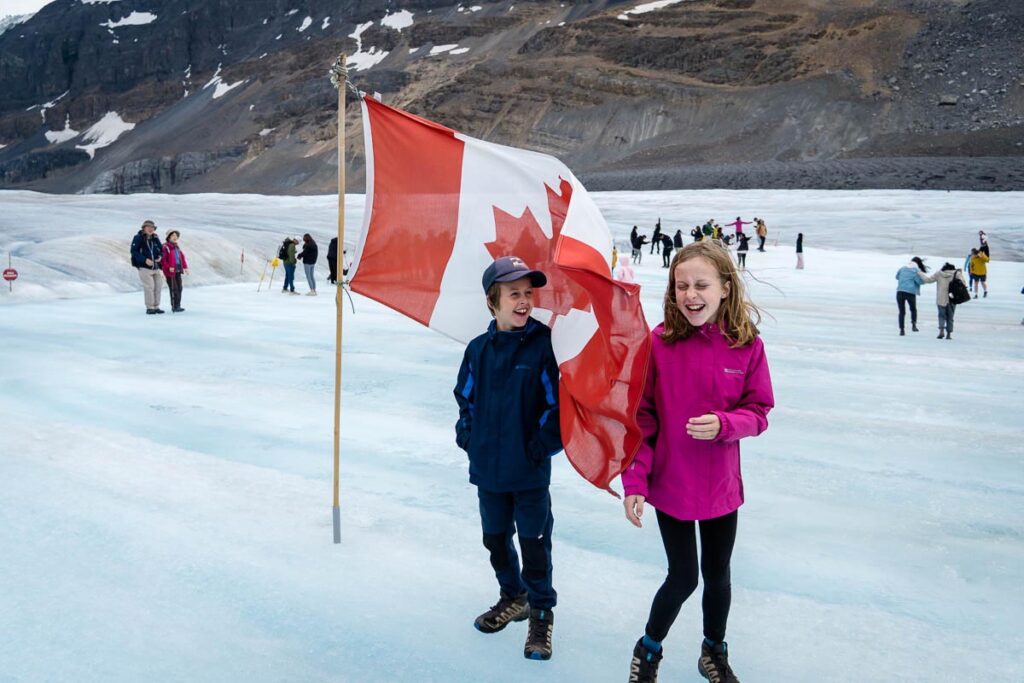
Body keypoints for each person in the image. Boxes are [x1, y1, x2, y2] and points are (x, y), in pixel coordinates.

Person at [622, 240, 774, 683]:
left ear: (725, 288)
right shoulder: (659, 344)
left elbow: (760, 411)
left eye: (702, 285)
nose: (691, 294)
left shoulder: (746, 345)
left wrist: (728, 424)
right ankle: (648, 650)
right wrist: (635, 484)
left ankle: (713, 651)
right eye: (681, 285)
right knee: (684, 576)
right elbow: (642, 419)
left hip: (722, 488)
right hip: (671, 486)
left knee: (718, 576)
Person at [454, 256, 562, 661]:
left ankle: (540, 614)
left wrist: (539, 446)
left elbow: (556, 406)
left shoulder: (542, 345)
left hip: (529, 471)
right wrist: (469, 436)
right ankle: (512, 595)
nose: (523, 301)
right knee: (495, 539)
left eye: (528, 293)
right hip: (487, 469)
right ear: (492, 302)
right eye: (513, 293)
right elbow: (465, 397)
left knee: (535, 544)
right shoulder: (478, 350)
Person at [920, 263, 968, 339]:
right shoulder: (957, 274)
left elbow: (928, 280)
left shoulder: (939, 273)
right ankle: (949, 334)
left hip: (941, 298)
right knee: (950, 317)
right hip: (952, 298)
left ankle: (941, 331)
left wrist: (920, 273)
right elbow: (964, 285)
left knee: (941, 315)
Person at [130, 220, 165, 314]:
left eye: (152, 228)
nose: (150, 229)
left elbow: (161, 250)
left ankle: (156, 307)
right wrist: (145, 260)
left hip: (156, 267)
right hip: (144, 268)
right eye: (148, 227)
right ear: (144, 228)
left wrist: (160, 257)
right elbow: (134, 251)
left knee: (158, 287)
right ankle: (150, 308)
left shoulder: (155, 237)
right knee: (149, 287)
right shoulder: (138, 237)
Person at [895, 257, 929, 335]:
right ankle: (914, 325)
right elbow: (919, 281)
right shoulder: (916, 270)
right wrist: (924, 281)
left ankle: (902, 330)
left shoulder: (902, 268)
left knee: (901, 312)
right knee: (913, 309)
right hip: (910, 292)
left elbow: (897, 277)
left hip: (900, 291)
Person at [161, 230, 189, 313]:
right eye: (173, 235)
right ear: (168, 237)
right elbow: (163, 259)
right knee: (174, 289)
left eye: (176, 235)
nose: (175, 237)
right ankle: (174, 306)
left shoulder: (176, 246)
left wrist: (185, 267)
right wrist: (168, 267)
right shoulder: (165, 247)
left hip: (178, 270)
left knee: (180, 288)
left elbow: (182, 257)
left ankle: (178, 305)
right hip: (170, 271)